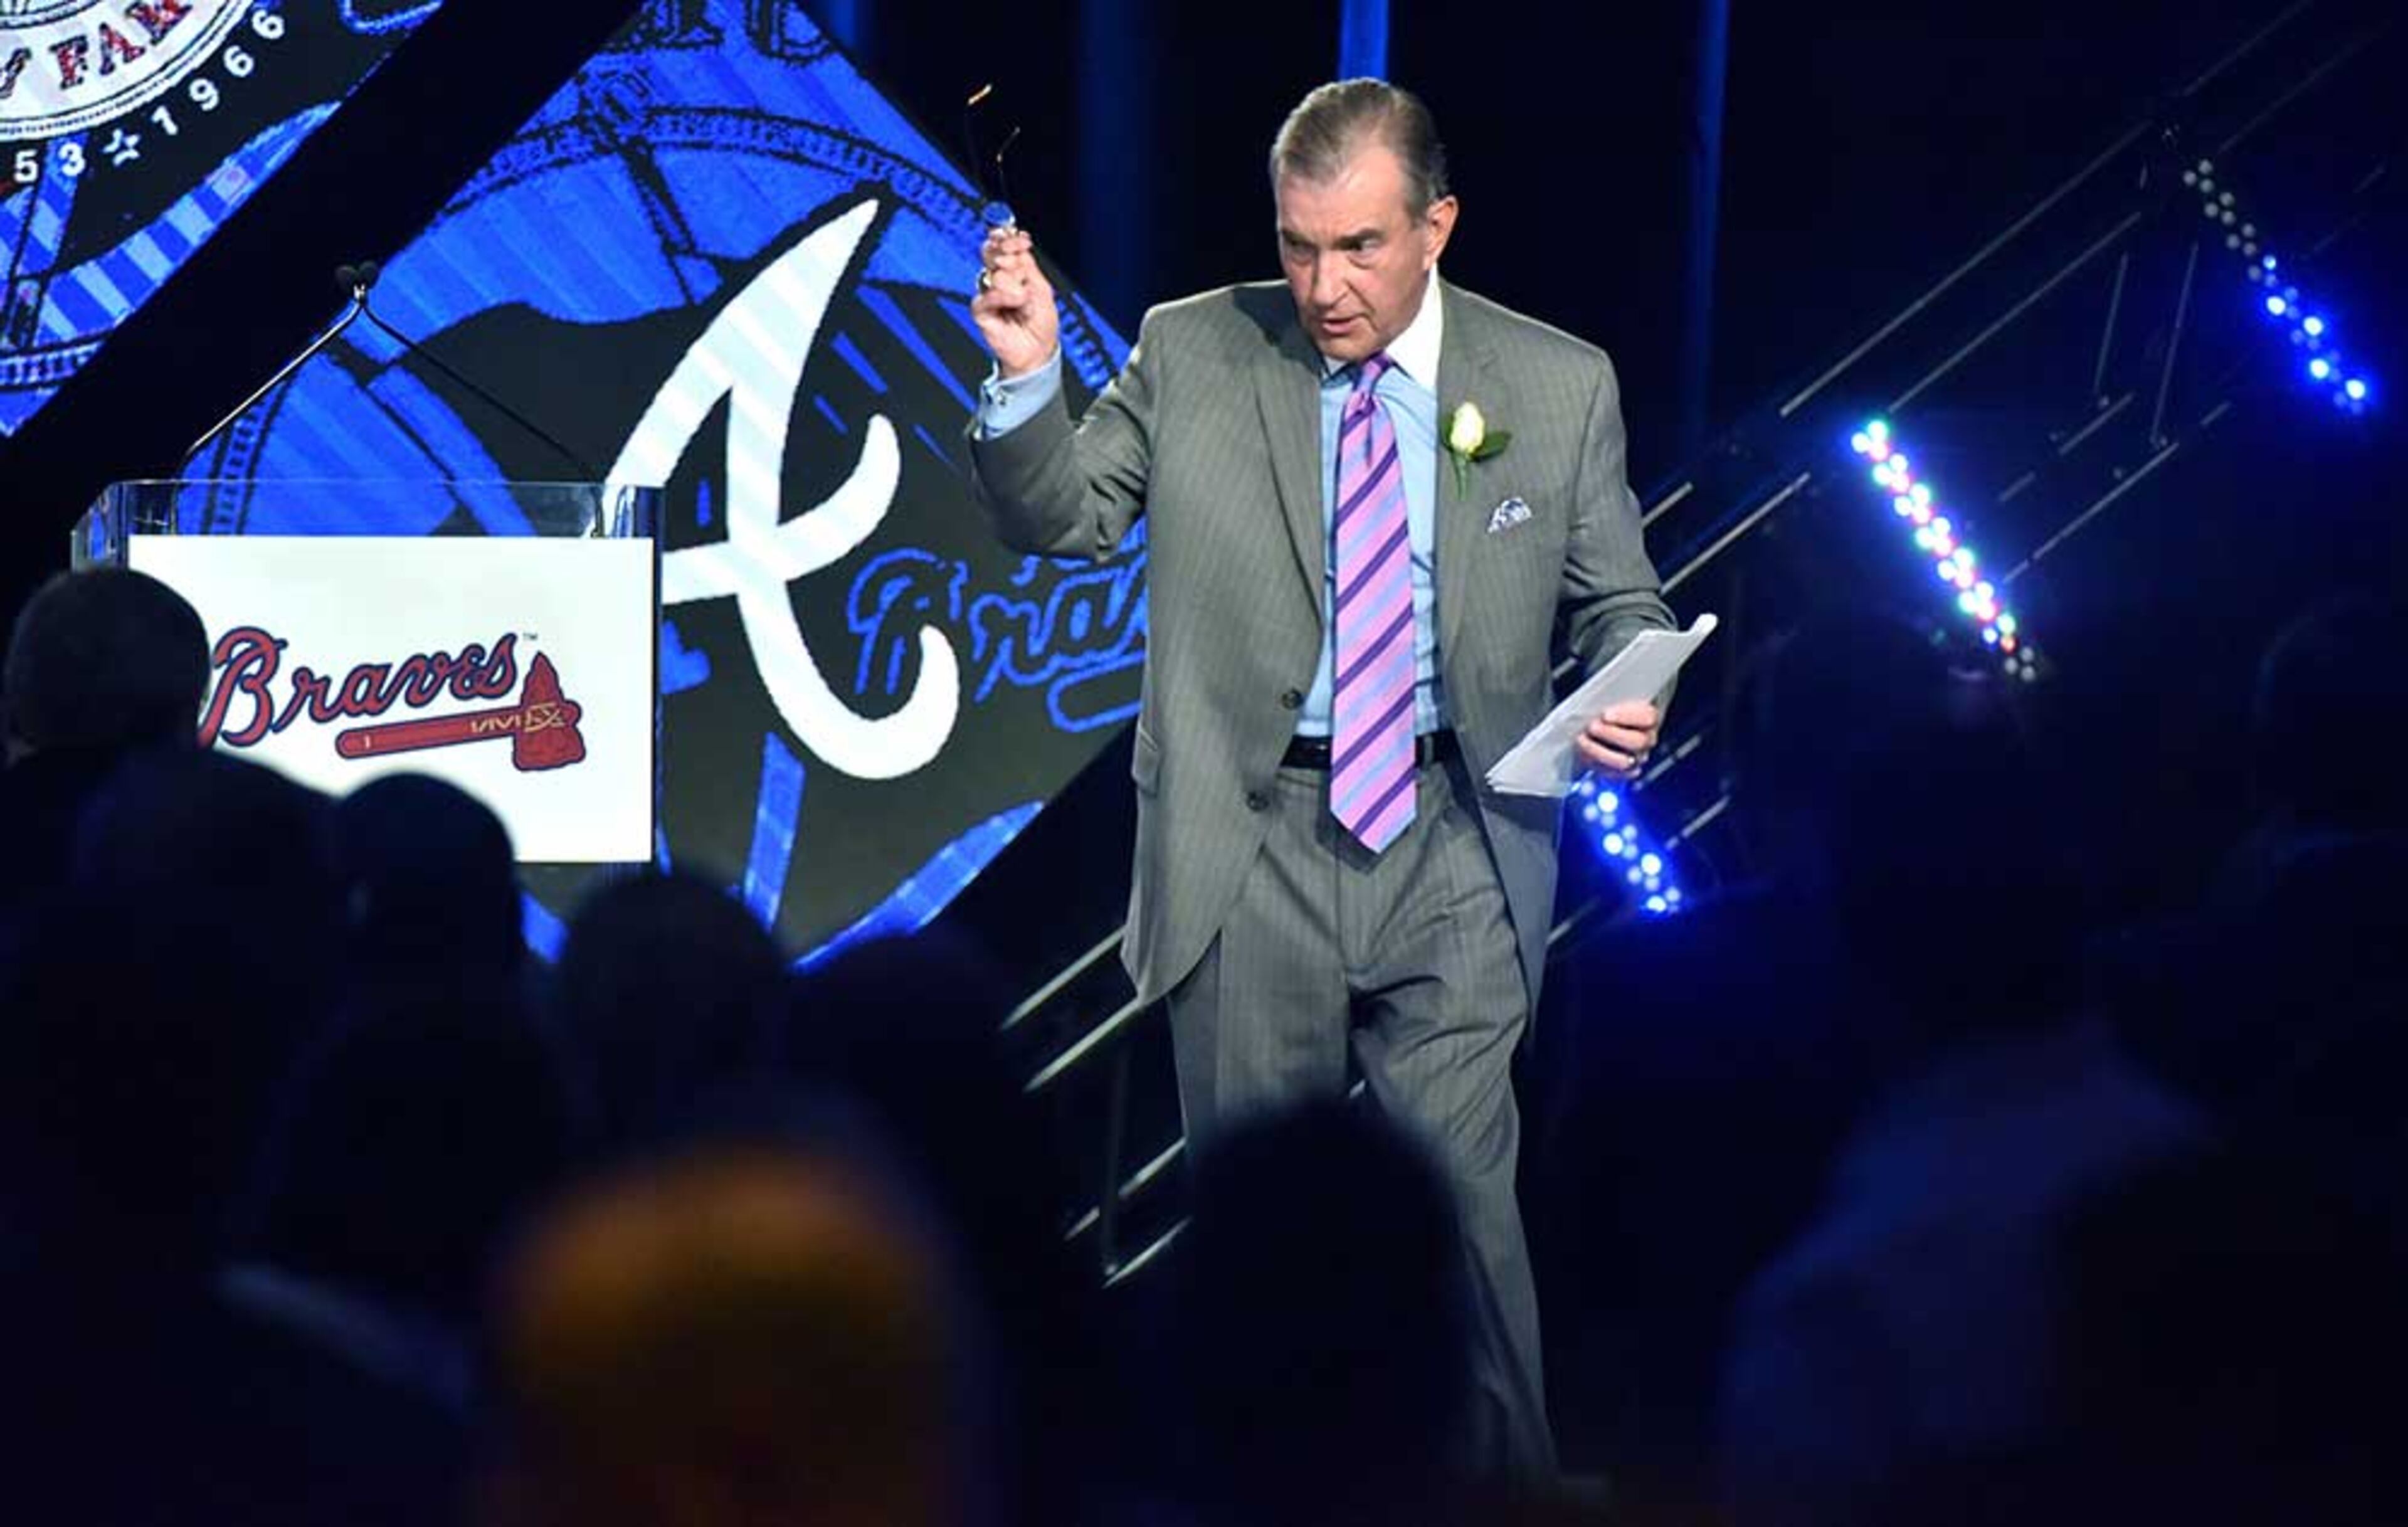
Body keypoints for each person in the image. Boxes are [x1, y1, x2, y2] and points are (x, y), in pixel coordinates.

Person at [966, 77, 1675, 1477]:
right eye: (1298, 246)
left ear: (1437, 228)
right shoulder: (1193, 349)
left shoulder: (1556, 382)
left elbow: (1622, 600)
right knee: (1261, 1237)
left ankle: (1509, 1494)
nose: (1324, 285)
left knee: (1466, 1211)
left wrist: (1629, 684)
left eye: (1358, 247)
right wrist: (1029, 376)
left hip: (1458, 835)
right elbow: (1063, 519)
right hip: (1252, 846)